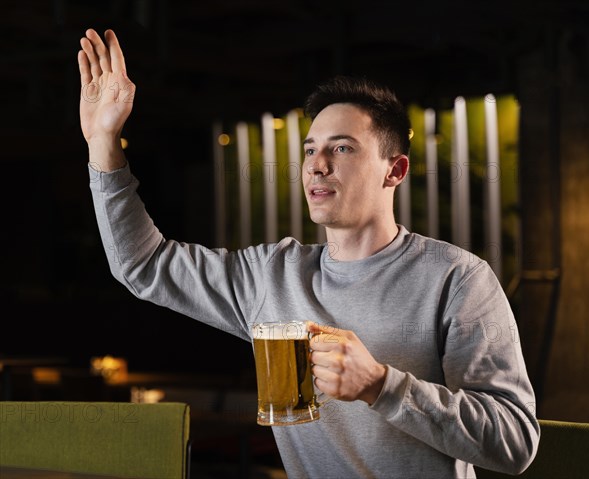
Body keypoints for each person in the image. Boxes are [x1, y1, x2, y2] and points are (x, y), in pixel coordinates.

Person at [78, 28, 540, 478]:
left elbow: (515, 443)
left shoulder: (457, 278)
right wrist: (103, 144)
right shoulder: (272, 276)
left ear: (394, 170)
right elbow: (143, 265)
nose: (317, 165)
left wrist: (381, 386)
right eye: (310, 149)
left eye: (342, 148)